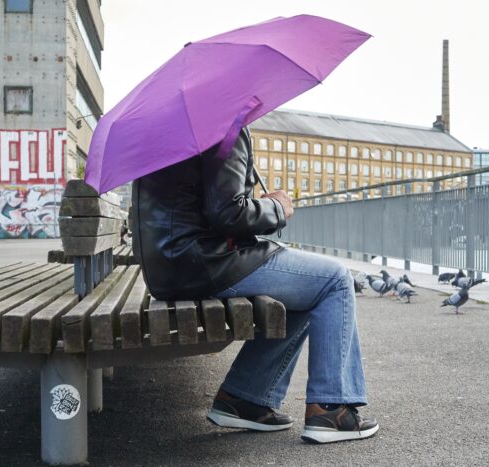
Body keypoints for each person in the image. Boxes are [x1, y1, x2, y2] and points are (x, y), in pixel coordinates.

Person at [131, 127, 378, 444]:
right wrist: (277, 208)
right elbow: (227, 212)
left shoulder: (175, 131)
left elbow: (205, 204)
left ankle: (245, 399)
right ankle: (332, 409)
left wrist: (255, 203)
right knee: (335, 279)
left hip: (170, 268)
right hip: (207, 263)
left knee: (303, 293)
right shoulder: (223, 127)